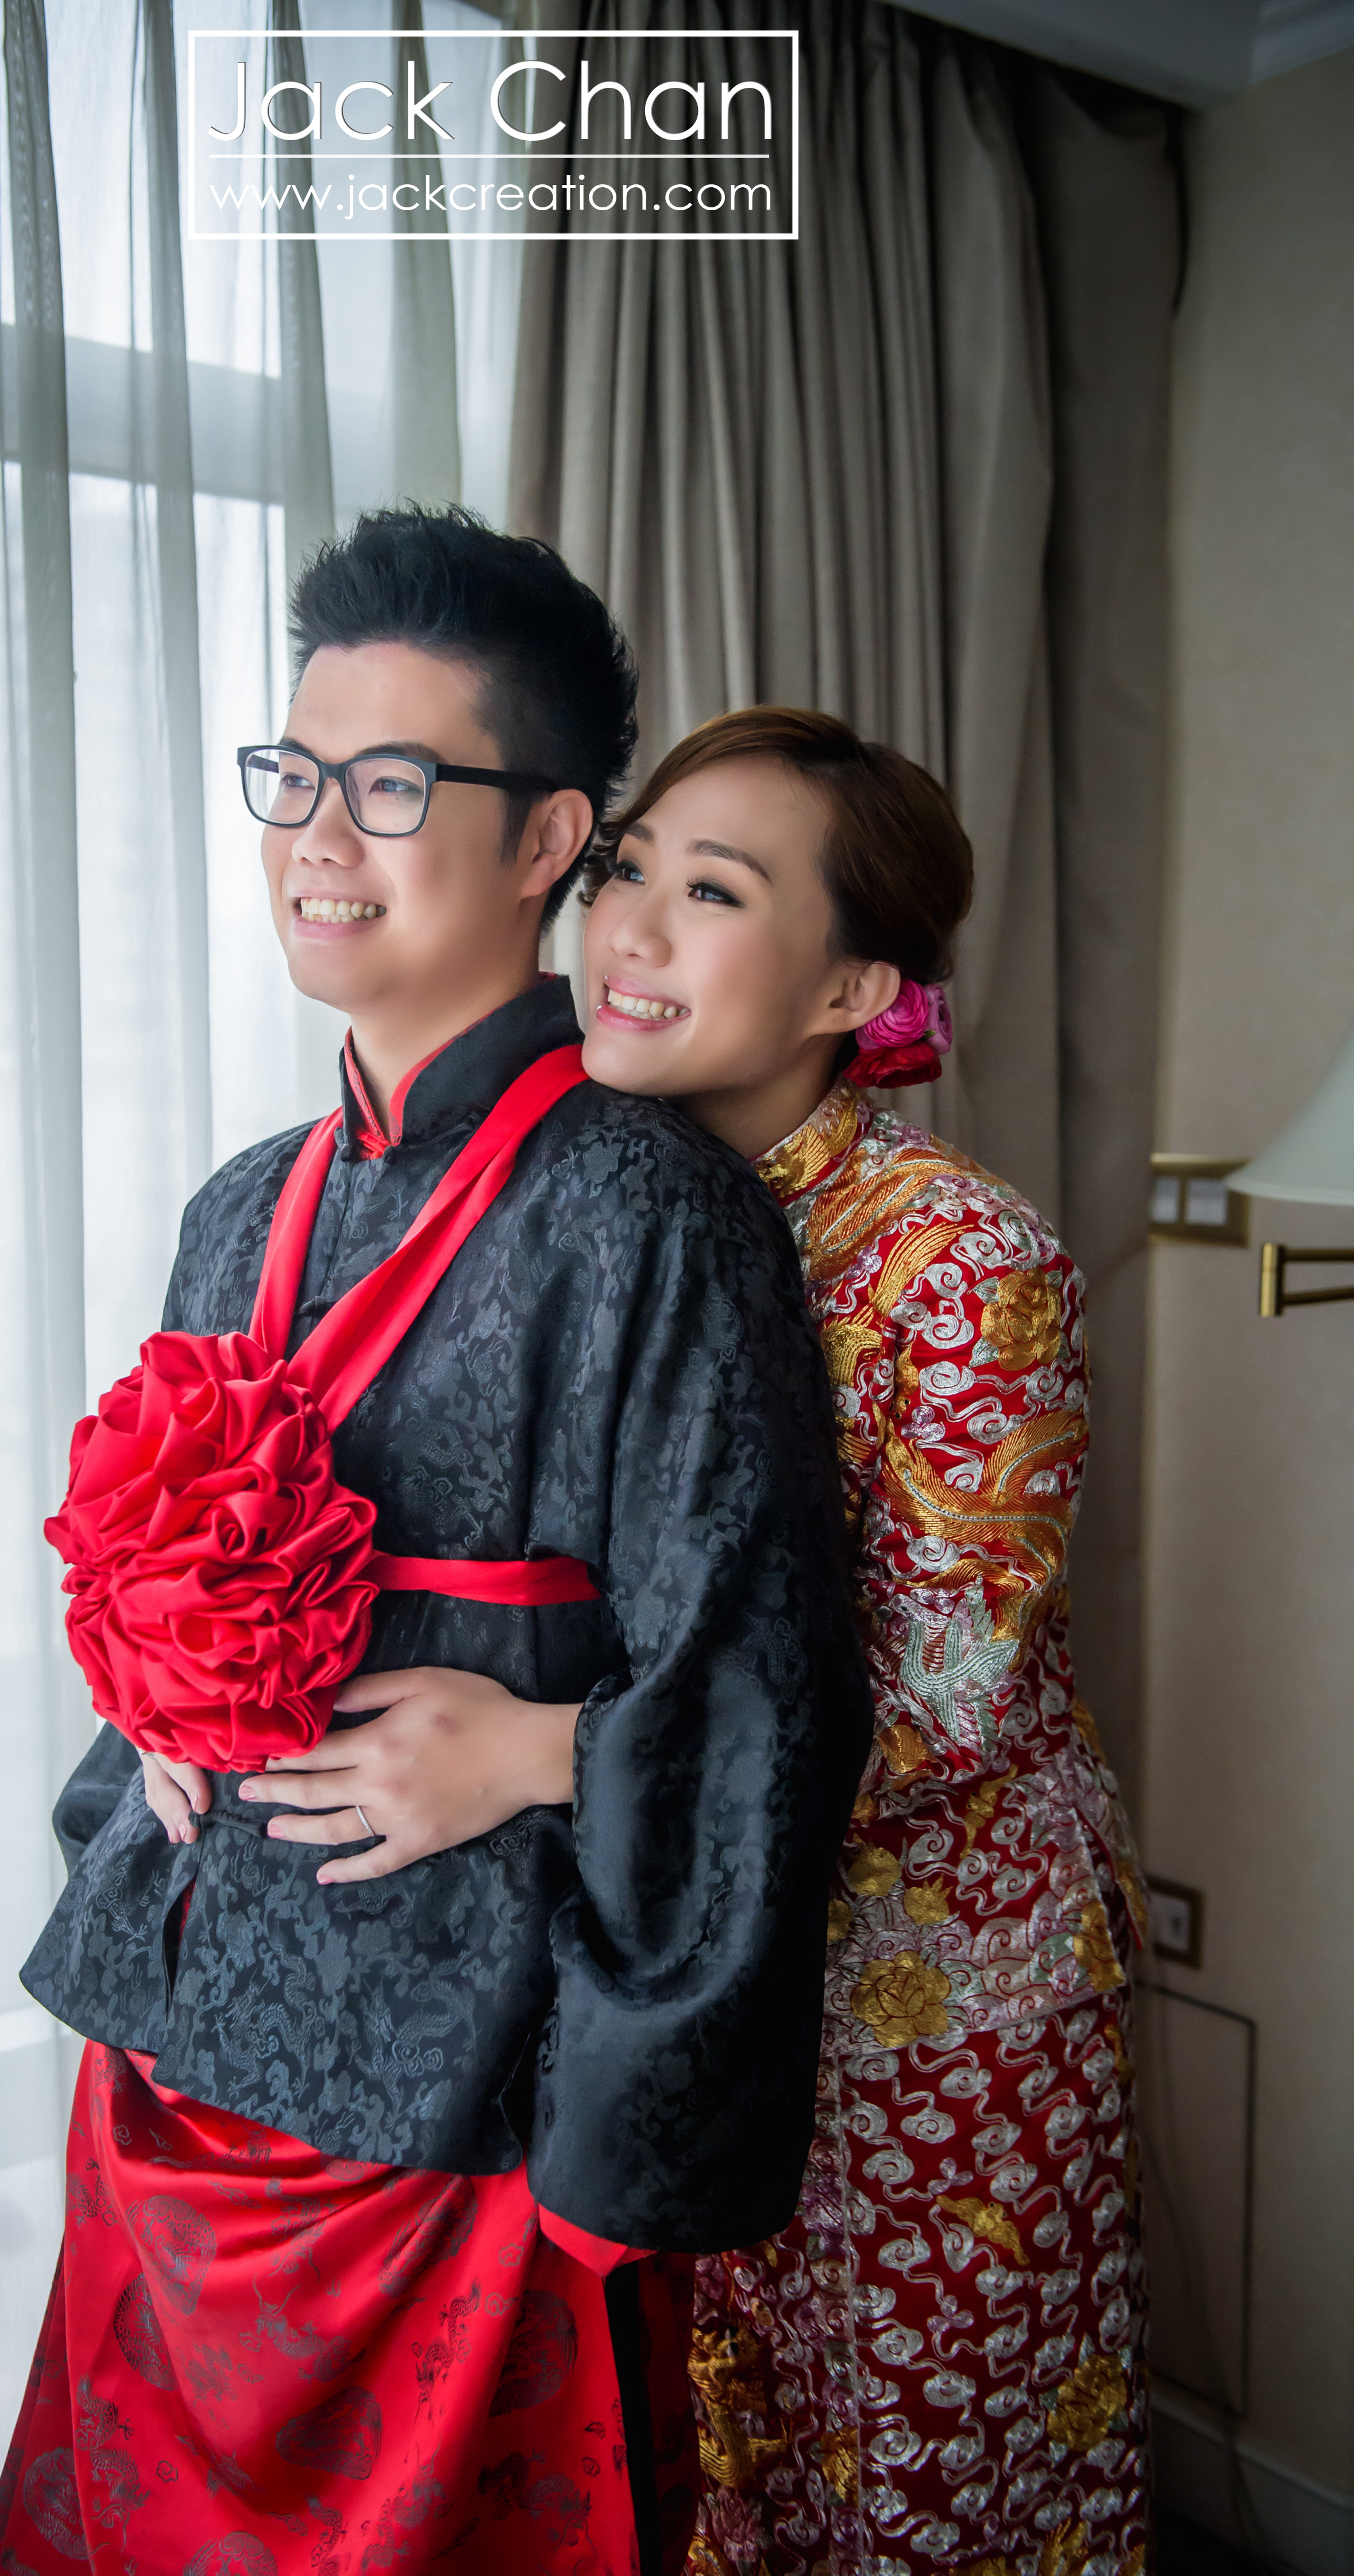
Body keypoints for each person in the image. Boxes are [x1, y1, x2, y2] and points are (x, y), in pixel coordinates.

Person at [0, 525, 872, 2576]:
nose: (317, 834)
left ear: (548, 834)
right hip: (184, 2050)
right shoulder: (240, 1203)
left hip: (462, 2104)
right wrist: (156, 1704)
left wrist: (545, 1757)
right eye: (292, 774)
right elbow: (161, 1549)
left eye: (390, 784)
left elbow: (766, 1692)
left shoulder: (651, 1215)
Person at [303, 707, 1149, 2575]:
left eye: (711, 891)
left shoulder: (958, 1266)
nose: (626, 925)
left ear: (852, 986)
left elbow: (938, 1699)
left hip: (924, 1992)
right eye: (625, 869)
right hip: (670, 1963)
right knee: (710, 2477)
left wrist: (532, 1753)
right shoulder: (594, 1210)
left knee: (929, 2487)